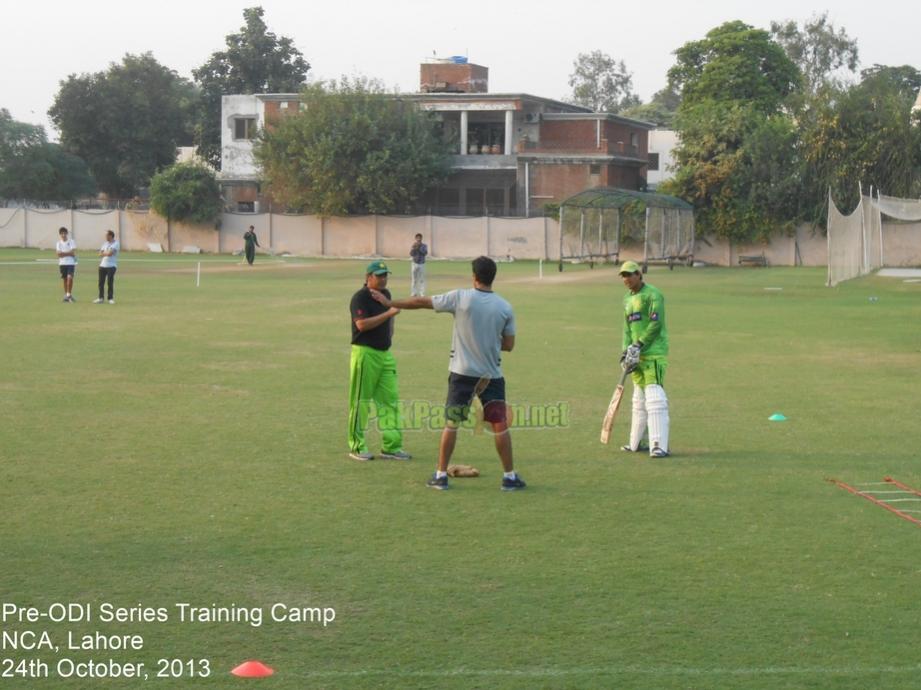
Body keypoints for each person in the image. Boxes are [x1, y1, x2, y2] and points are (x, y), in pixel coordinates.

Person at [370, 256, 525, 491]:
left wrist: (391, 303)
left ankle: (441, 475)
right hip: (491, 375)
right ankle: (510, 477)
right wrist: (488, 342)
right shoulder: (505, 307)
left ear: (474, 276)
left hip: (462, 373)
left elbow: (422, 302)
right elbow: (509, 345)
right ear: (493, 277)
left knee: (451, 424)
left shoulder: (460, 297)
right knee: (499, 425)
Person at [347, 260, 412, 462]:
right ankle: (357, 446)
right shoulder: (360, 298)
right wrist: (390, 312)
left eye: (385, 275)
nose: (383, 279)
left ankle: (391, 447)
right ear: (368, 277)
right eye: (379, 275)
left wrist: (390, 328)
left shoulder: (387, 295)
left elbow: (390, 321)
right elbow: (362, 325)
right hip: (365, 354)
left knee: (390, 402)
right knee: (361, 402)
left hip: (385, 355)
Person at [617, 260, 670, 457]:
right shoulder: (627, 299)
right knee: (638, 400)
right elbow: (626, 328)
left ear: (639, 274)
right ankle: (636, 443)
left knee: (654, 398)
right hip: (635, 355)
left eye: (630, 274)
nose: (627, 279)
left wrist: (639, 344)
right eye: (623, 275)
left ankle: (659, 446)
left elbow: (656, 324)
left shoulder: (653, 295)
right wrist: (625, 350)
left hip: (654, 352)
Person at [94, 230, 119, 304]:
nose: (105, 237)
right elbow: (99, 254)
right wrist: (106, 253)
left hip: (111, 266)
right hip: (102, 265)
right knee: (101, 282)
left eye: (107, 235)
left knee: (110, 282)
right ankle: (100, 298)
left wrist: (105, 253)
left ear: (111, 236)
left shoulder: (116, 243)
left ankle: (110, 298)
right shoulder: (105, 244)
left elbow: (110, 254)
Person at [56, 227, 77, 302]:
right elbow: (58, 254)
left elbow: (73, 252)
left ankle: (68, 294)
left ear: (67, 234)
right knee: (65, 279)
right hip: (62, 263)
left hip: (70, 263)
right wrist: (68, 253)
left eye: (65, 233)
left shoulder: (71, 241)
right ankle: (67, 295)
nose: (63, 235)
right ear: (60, 234)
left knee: (69, 278)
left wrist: (63, 253)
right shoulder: (58, 243)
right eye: (62, 233)